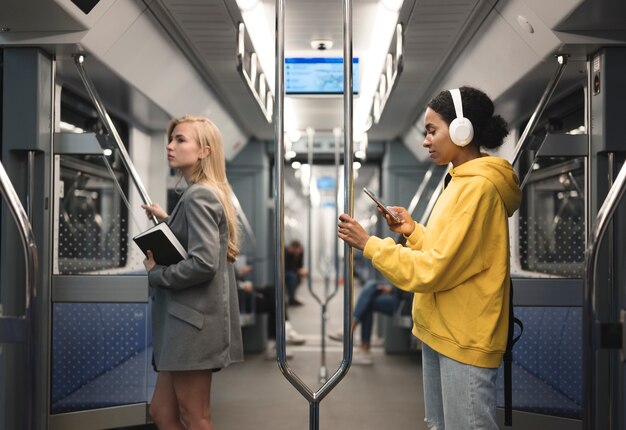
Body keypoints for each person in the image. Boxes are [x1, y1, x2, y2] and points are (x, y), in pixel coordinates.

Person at [337, 86, 521, 430]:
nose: (426, 141)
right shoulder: (458, 183)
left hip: (464, 336)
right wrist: (412, 231)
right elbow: (447, 252)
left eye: (432, 130)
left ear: (462, 130)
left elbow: (434, 270)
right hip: (441, 329)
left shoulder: (478, 189)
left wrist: (371, 245)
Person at [141, 115, 243, 430]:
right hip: (183, 325)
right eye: (171, 140)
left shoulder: (199, 195)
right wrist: (168, 220)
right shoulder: (203, 193)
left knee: (195, 416)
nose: (170, 146)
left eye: (180, 140)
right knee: (162, 411)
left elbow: (203, 263)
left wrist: (157, 273)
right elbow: (200, 239)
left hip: (191, 327)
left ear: (204, 151)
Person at [328, 278, 411, 365]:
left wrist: (393, 289)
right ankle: (354, 332)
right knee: (371, 286)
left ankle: (353, 332)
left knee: (369, 299)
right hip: (401, 294)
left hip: (406, 301)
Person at [284, 240, 308, 306]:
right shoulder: (285, 252)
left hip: (292, 271)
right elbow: (286, 266)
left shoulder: (299, 252)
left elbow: (300, 265)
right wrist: (298, 271)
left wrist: (297, 256)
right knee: (292, 276)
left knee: (296, 276)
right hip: (285, 272)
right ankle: (292, 299)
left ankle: (292, 296)